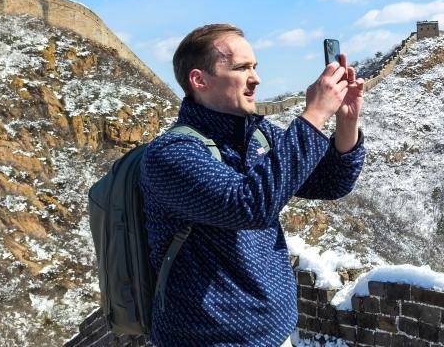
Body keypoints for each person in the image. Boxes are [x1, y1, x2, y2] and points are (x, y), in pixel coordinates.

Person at [140, 23, 365, 347]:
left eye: (255, 67)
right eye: (241, 68)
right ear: (199, 79)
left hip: (277, 333)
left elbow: (331, 182)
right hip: (209, 340)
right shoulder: (172, 155)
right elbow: (249, 205)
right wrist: (314, 114)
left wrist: (346, 123)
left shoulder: (258, 135)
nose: (256, 78)